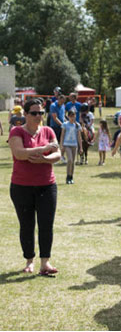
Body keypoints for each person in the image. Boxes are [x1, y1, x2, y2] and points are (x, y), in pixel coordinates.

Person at [8, 99, 62, 276]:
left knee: (46, 225)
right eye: (34, 113)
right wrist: (44, 148)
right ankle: (29, 261)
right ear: (25, 114)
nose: (38, 116)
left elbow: (58, 154)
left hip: (47, 186)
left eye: (40, 113)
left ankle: (45, 262)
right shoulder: (16, 131)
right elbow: (19, 153)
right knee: (27, 225)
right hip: (21, 186)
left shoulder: (48, 130)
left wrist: (44, 159)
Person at [59, 109, 82, 184]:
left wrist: (80, 147)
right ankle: (67, 176)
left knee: (73, 162)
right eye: (71, 116)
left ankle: (71, 176)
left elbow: (79, 136)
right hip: (67, 144)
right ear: (68, 116)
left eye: (74, 116)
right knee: (70, 160)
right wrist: (61, 145)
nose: (72, 118)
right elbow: (62, 135)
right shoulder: (65, 124)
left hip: (74, 145)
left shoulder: (77, 125)